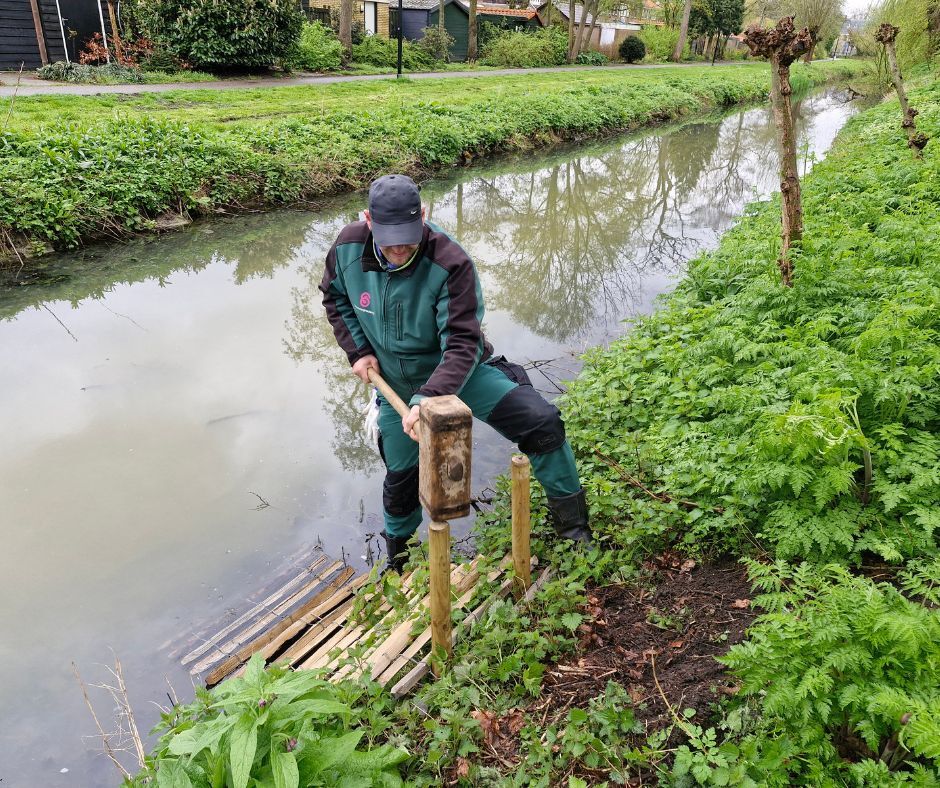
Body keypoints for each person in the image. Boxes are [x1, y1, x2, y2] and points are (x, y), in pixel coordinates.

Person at [320, 174, 592, 573]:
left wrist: (429, 398)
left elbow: (463, 342)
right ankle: (398, 558)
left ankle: (575, 531)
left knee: (542, 423)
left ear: (425, 216)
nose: (398, 248)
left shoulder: (450, 261)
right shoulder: (346, 247)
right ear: (368, 220)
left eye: (407, 237)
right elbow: (335, 297)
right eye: (388, 237)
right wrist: (358, 351)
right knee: (402, 479)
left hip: (458, 371)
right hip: (394, 381)